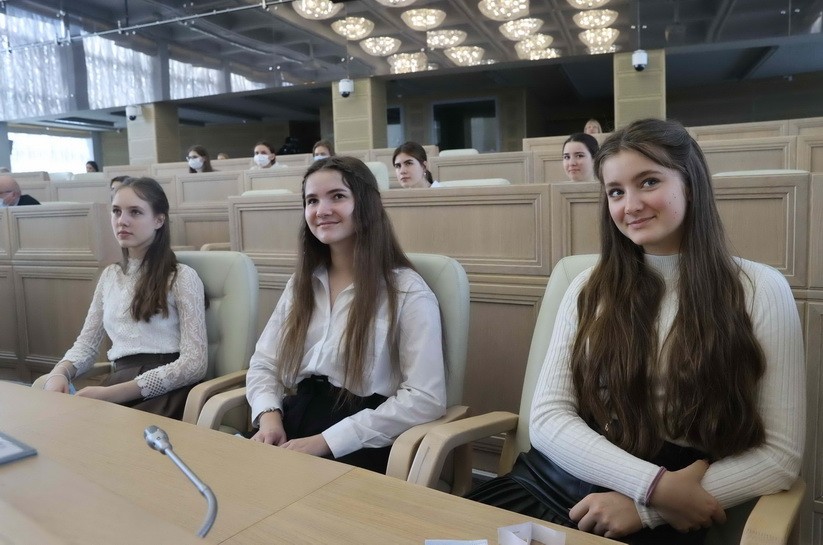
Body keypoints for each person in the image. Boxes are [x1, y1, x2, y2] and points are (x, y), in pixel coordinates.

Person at [466, 118, 804, 544]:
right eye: (616, 192)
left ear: (690, 184)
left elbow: (779, 456)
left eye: (649, 182)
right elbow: (549, 418)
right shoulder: (588, 286)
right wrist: (653, 488)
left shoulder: (759, 289)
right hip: (552, 482)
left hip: (661, 517)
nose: (631, 205)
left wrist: (645, 510)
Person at [245, 156, 447, 473]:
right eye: (312, 200)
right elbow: (264, 363)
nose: (321, 210)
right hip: (294, 416)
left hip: (363, 436)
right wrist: (269, 415)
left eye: (337, 196)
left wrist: (327, 441)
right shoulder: (301, 284)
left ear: (366, 205)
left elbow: (425, 398)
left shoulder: (406, 291)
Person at [41, 177, 208, 420]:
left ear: (159, 220)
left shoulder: (181, 277)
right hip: (119, 381)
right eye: (116, 211)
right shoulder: (110, 275)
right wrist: (60, 372)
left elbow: (195, 364)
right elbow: (87, 344)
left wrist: (112, 394)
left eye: (135, 212)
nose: (122, 221)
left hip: (166, 390)